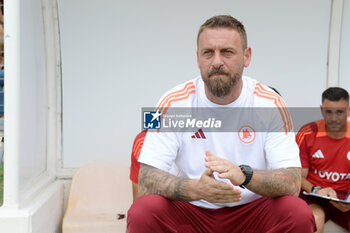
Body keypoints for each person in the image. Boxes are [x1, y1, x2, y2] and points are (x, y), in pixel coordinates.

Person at [127, 15, 315, 233]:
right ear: (198, 58)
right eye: (208, 53)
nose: (217, 61)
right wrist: (195, 189)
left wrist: (245, 176)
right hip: (192, 210)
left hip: (252, 212)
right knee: (143, 210)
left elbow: (291, 181)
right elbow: (147, 179)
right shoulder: (173, 101)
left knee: (297, 212)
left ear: (247, 56)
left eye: (227, 52)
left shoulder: (270, 102)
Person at [297, 87, 350, 232]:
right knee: (315, 217)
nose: (333, 118)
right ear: (322, 110)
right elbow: (297, 176)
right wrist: (316, 189)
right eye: (328, 112)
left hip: (345, 199)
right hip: (315, 196)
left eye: (339, 112)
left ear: (348, 110)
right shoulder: (308, 132)